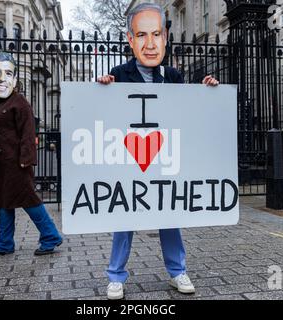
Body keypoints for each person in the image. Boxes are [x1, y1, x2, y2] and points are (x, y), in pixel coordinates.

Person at [97, 3, 219, 300]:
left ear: (165, 37)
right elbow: (106, 117)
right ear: (130, 40)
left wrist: (207, 93)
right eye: (141, 35)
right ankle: (115, 276)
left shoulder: (173, 76)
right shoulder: (119, 73)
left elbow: (185, 115)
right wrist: (101, 89)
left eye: (157, 34)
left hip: (164, 159)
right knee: (124, 217)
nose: (150, 44)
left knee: (169, 215)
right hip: (130, 159)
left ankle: (177, 271)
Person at [0, 52, 63, 257]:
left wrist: (27, 159)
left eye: (8, 73)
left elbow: (28, 132)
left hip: (14, 162)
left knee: (29, 199)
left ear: (14, 78)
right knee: (2, 200)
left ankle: (51, 235)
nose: (2, 78)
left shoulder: (19, 102)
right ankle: (5, 243)